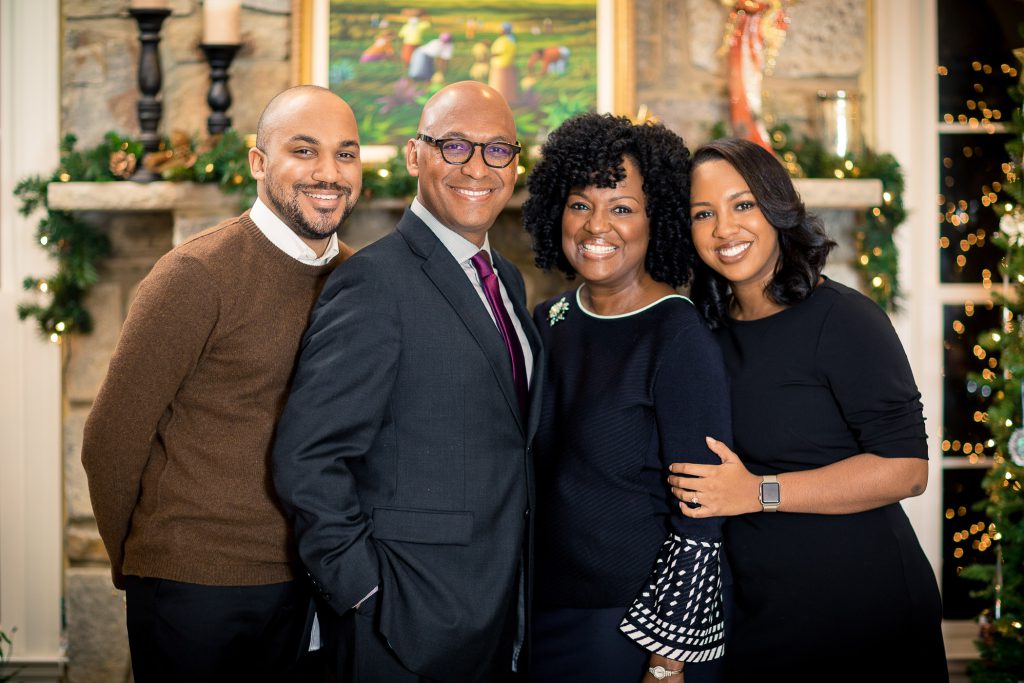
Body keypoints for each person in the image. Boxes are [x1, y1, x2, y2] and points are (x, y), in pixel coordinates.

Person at [80, 85, 362, 683]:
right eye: (304, 151)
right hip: (194, 587)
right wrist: (147, 558)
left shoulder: (357, 280)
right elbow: (110, 440)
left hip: (308, 582)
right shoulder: (196, 275)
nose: (329, 173)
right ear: (259, 163)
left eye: (346, 154)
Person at [271, 81, 541, 683]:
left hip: (497, 607)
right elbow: (308, 459)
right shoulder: (374, 282)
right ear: (415, 156)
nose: (478, 166)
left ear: (515, 164)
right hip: (402, 625)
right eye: (454, 146)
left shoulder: (509, 281)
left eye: (498, 149)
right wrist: (365, 595)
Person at [668, 137, 947, 681]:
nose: (725, 229)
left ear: (776, 209)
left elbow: (907, 470)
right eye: (705, 213)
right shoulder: (703, 331)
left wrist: (758, 491)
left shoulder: (843, 319)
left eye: (743, 204)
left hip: (862, 610)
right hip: (757, 611)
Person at [522, 112, 731, 683]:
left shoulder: (677, 334)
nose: (596, 226)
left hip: (634, 624)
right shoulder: (550, 320)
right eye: (580, 204)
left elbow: (702, 514)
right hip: (543, 608)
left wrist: (667, 660)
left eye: (621, 207)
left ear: (654, 219)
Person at [489, 22, 518, 104]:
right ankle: (509, 99)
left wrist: (489, 55)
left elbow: (498, 52)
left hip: (500, 64)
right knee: (508, 83)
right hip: (508, 63)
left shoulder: (503, 40)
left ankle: (498, 100)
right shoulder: (512, 39)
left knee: (499, 83)